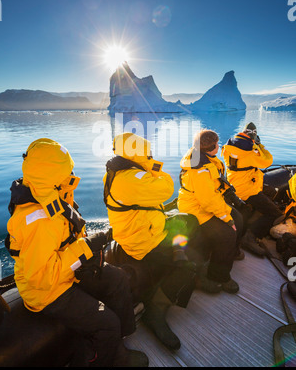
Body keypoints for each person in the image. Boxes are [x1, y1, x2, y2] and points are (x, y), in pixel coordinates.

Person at [6, 138, 148, 367]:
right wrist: (86, 248)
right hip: (47, 292)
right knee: (107, 322)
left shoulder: (51, 195)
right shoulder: (38, 221)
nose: (72, 172)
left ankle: (119, 340)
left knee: (118, 277)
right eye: (67, 169)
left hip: (65, 273)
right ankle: (110, 358)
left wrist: (88, 247)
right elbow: (41, 277)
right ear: (52, 174)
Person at [103, 132, 197, 351]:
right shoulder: (131, 179)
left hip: (145, 227)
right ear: (138, 154)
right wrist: (152, 165)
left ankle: (177, 258)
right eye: (147, 152)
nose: (150, 154)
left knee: (187, 222)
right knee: (188, 267)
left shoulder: (118, 171)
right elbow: (166, 188)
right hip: (142, 240)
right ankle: (155, 311)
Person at [177, 129, 244, 295]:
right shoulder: (199, 170)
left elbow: (213, 191)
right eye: (217, 144)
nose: (219, 146)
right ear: (211, 147)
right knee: (227, 233)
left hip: (209, 203)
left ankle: (230, 253)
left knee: (238, 218)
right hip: (196, 208)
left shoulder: (206, 159)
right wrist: (226, 218)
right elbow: (207, 201)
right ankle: (219, 276)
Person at [221, 122, 283, 256]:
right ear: (253, 135)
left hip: (235, 185)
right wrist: (259, 145)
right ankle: (249, 237)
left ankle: (250, 221)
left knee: (270, 193)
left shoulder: (229, 145)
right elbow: (267, 161)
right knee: (275, 213)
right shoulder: (250, 149)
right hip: (248, 189)